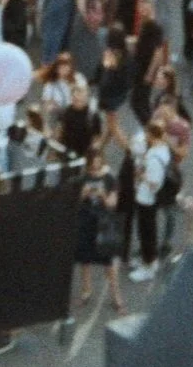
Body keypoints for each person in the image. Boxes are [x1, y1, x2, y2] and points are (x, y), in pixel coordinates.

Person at [74, 149, 125, 314]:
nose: (95, 167)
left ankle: (116, 296)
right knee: (85, 259)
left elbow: (112, 204)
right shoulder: (82, 178)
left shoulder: (110, 178)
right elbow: (74, 202)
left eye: (98, 162)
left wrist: (103, 195)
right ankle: (86, 290)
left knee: (109, 262)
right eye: (92, 163)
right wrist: (83, 194)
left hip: (106, 222)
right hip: (86, 221)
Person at [130, 123, 174, 282]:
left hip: (147, 199)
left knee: (147, 232)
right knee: (148, 231)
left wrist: (141, 175)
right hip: (149, 199)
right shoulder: (163, 150)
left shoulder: (155, 157)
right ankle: (146, 259)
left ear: (151, 135)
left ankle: (149, 265)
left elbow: (154, 184)